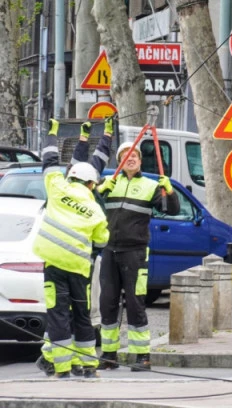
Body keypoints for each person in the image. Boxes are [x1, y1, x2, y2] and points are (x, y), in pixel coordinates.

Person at [36, 118, 114, 377]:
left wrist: (52, 133)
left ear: (71, 176)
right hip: (80, 269)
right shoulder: (95, 208)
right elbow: (102, 241)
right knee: (82, 315)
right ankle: (90, 366)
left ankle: (62, 369)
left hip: (54, 266)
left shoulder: (57, 187)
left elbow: (48, 161)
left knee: (58, 315)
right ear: (92, 185)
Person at [98, 141, 180, 371]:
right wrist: (99, 192)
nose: (130, 158)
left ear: (140, 161)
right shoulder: (109, 182)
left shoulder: (150, 186)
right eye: (125, 155)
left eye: (134, 155)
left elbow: (172, 210)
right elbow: (90, 204)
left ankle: (142, 356)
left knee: (135, 303)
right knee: (108, 303)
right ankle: (109, 355)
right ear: (120, 161)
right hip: (110, 250)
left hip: (134, 252)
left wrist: (170, 191)